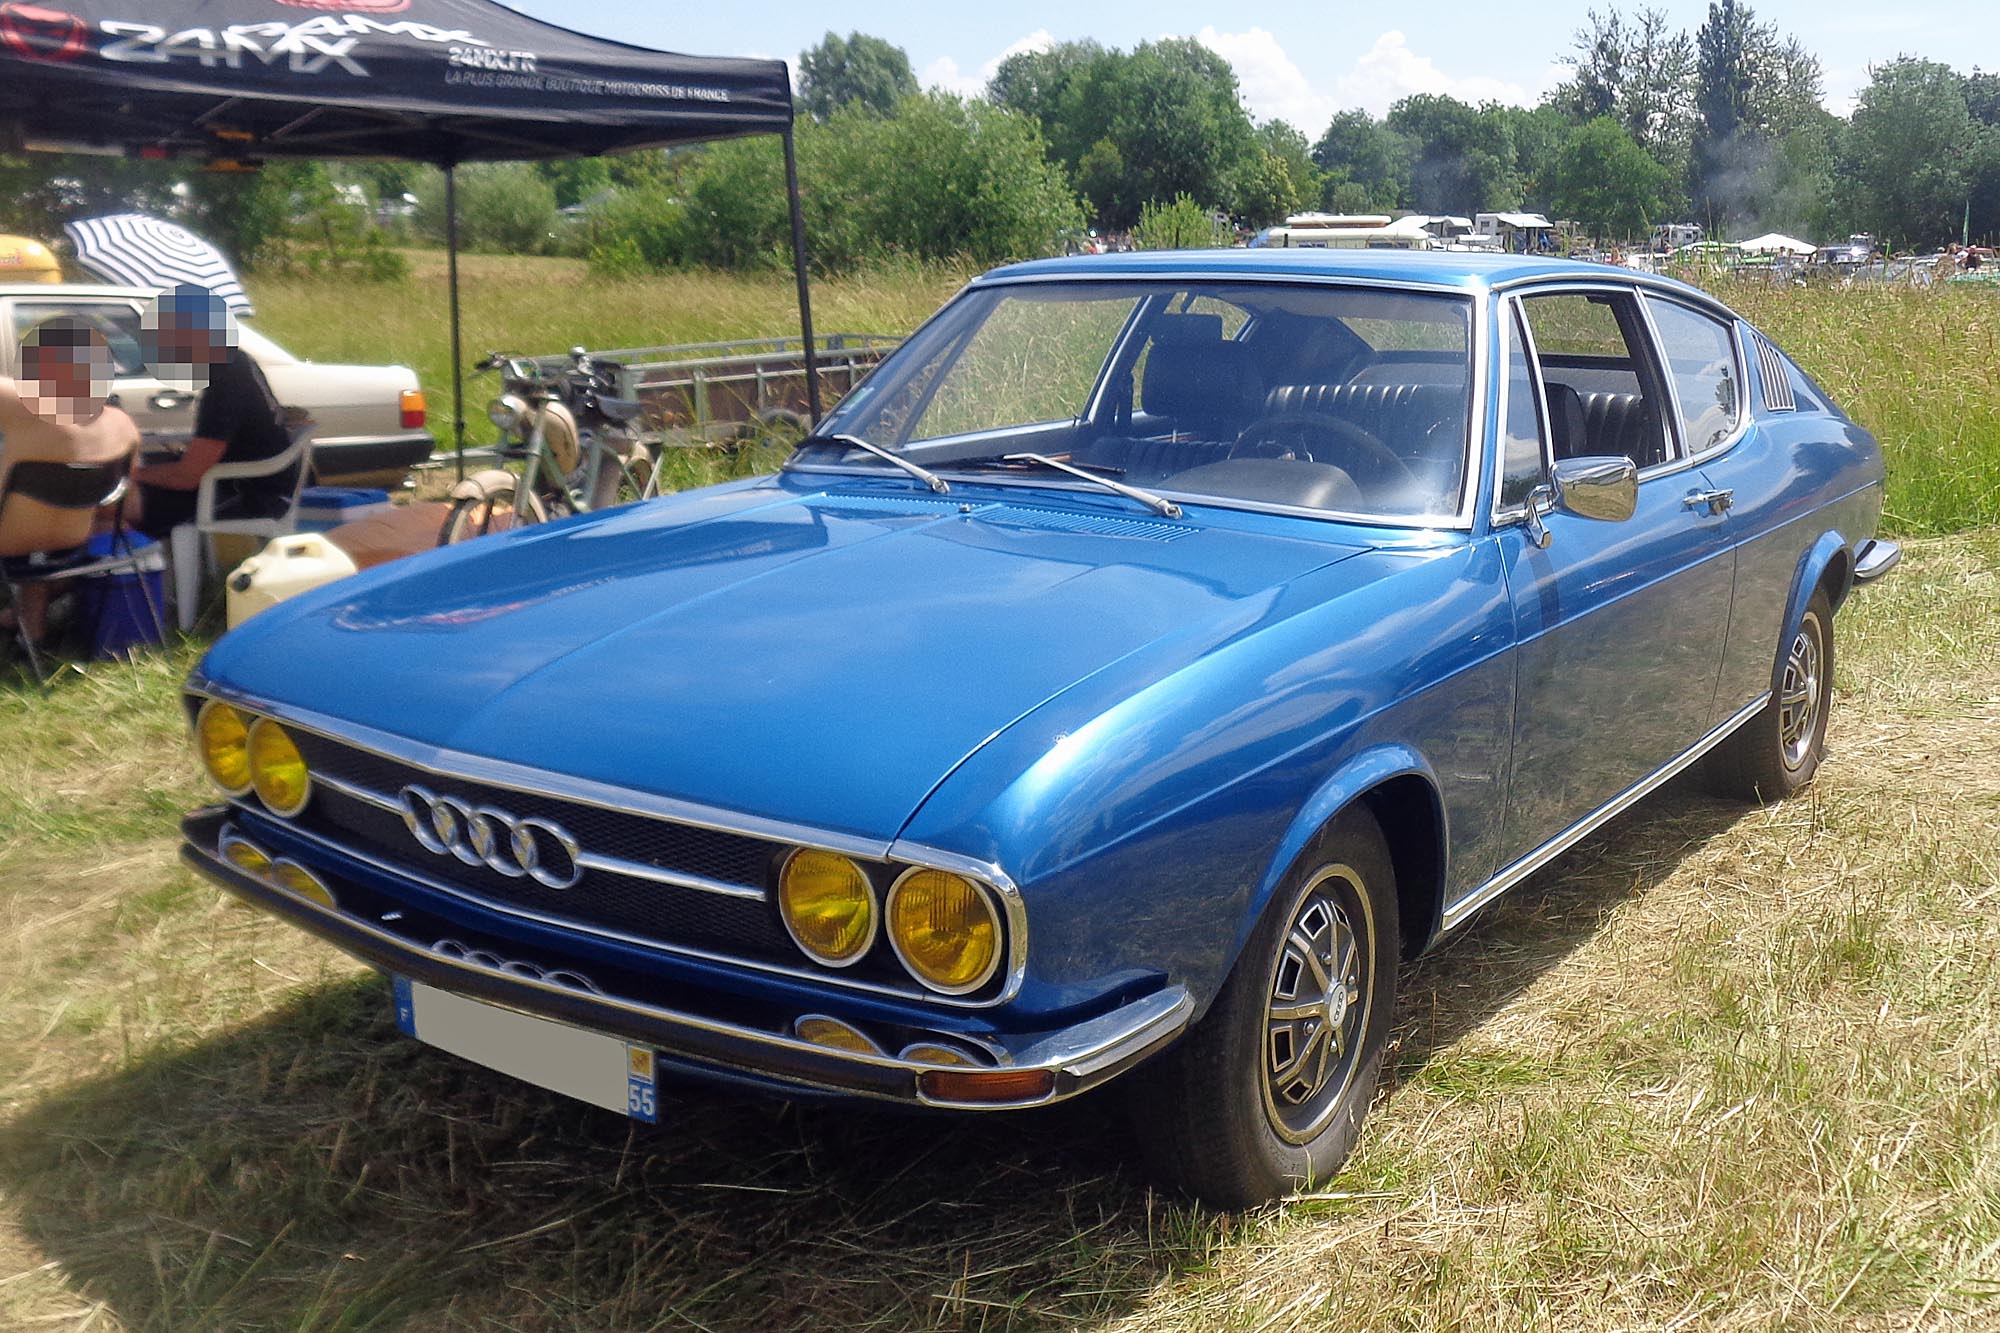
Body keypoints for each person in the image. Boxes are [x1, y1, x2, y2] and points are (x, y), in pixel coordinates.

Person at [0, 316, 141, 642]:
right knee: (43, 506)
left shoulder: (25, 410)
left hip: (9, 540)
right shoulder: (123, 427)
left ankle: (24, 620)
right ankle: (29, 625)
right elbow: (127, 510)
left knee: (23, 503)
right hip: (71, 543)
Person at [130, 285, 294, 542]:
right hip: (252, 483)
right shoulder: (236, 361)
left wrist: (128, 476)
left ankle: (142, 574)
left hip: (246, 494)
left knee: (117, 505)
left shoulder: (226, 382)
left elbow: (186, 478)